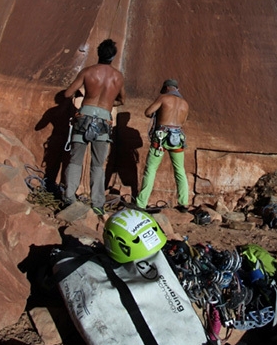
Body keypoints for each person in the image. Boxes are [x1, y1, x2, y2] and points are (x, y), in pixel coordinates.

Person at [63, 39, 125, 214]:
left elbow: (68, 93)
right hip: (104, 121)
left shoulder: (88, 72)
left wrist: (81, 96)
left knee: (75, 160)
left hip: (83, 118)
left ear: (98, 53)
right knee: (98, 164)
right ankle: (97, 204)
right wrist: (108, 103)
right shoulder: (118, 77)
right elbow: (122, 100)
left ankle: (69, 198)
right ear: (113, 56)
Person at [136, 79, 189, 210]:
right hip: (177, 138)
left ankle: (141, 203)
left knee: (151, 169)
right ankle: (184, 203)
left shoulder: (163, 98)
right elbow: (184, 120)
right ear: (177, 89)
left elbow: (148, 112)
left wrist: (159, 114)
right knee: (180, 170)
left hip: (161, 137)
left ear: (166, 88)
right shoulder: (185, 104)